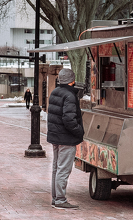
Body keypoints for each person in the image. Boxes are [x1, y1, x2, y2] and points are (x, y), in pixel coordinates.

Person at [47, 68, 84, 210]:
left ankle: (56, 197)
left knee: (56, 168)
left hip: (55, 137)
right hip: (66, 138)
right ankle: (61, 200)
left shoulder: (55, 92)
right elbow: (69, 119)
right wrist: (79, 131)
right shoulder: (70, 96)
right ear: (72, 81)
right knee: (63, 169)